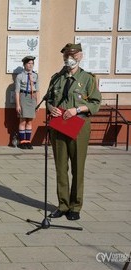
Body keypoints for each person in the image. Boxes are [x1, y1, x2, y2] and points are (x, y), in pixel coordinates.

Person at [47, 43, 102, 221]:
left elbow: (95, 103)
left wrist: (77, 110)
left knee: (77, 168)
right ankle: (63, 205)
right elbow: (49, 99)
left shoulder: (87, 78)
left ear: (80, 56)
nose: (69, 58)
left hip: (79, 125)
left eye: (73, 55)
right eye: (66, 56)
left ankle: (75, 206)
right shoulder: (57, 78)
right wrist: (51, 108)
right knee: (60, 168)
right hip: (59, 126)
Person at [15, 56, 40, 149]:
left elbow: (37, 90)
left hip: (32, 98)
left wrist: (37, 103)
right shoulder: (20, 76)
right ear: (24, 64)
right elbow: (17, 91)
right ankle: (22, 142)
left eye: (32, 63)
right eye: (29, 63)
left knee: (29, 121)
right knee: (22, 120)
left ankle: (28, 141)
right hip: (23, 97)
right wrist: (17, 105)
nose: (31, 65)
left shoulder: (35, 75)